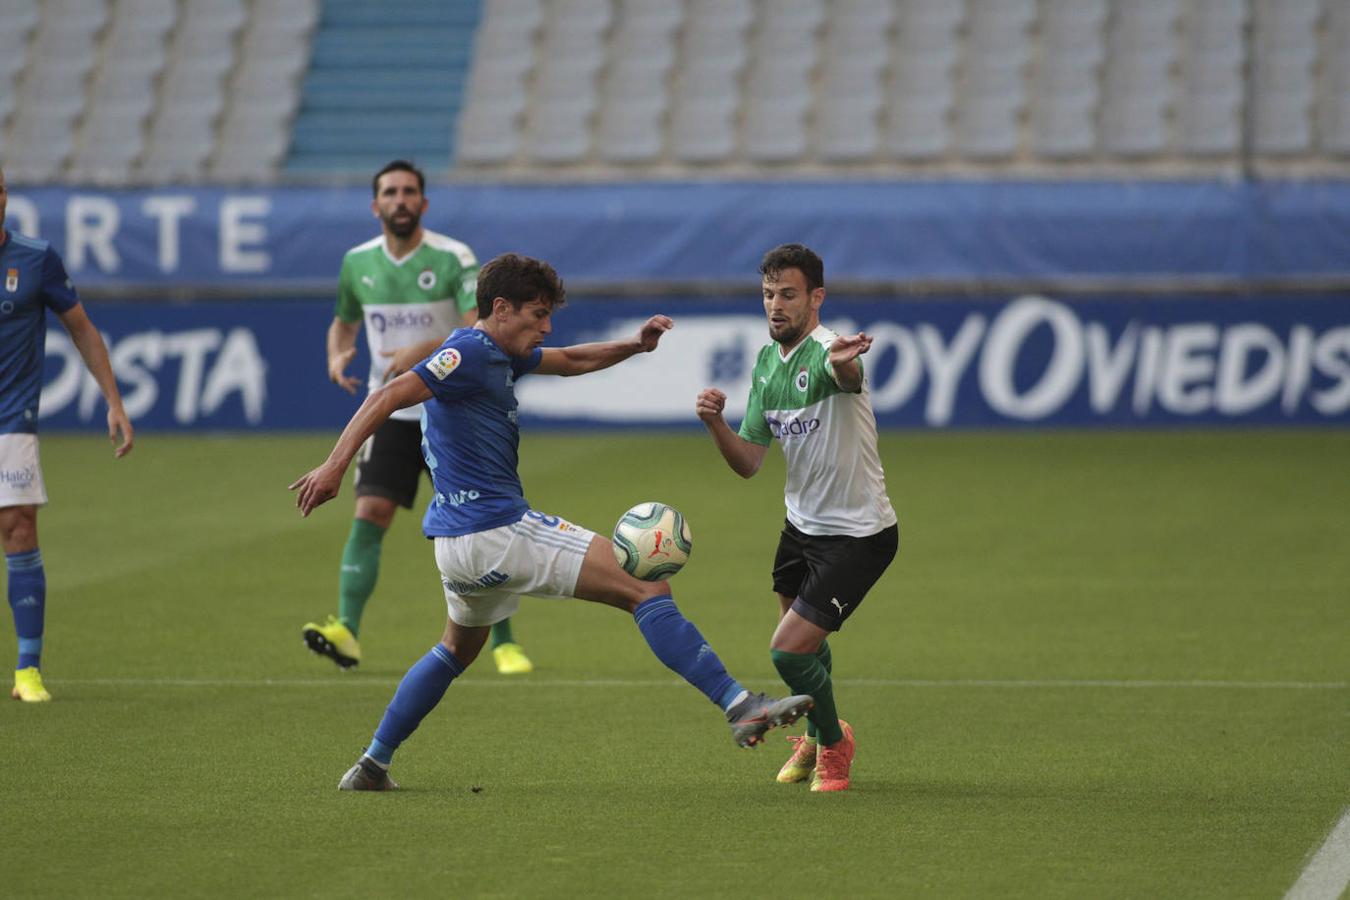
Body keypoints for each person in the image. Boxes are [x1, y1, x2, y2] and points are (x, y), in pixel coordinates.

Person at [291, 252, 812, 790]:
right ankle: (739, 704)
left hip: (455, 544)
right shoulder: (468, 350)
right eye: (537, 314)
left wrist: (635, 345)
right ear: (500, 308)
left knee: (455, 649)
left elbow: (571, 360)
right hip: (497, 530)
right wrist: (335, 466)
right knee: (644, 585)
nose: (546, 326)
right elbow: (391, 392)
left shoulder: (498, 353)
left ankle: (372, 764)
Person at [301, 159, 533, 675]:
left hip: (454, 414)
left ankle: (505, 643)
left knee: (484, 523)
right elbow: (343, 324)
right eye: (390, 192)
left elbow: (479, 322)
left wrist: (421, 350)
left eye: (409, 192)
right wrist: (338, 357)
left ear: (423, 203)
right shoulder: (356, 263)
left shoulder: (453, 257)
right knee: (370, 514)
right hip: (394, 414)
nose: (400, 200)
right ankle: (348, 630)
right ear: (375, 204)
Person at [695, 243, 898, 792]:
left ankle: (834, 743)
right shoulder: (766, 365)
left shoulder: (831, 351)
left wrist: (844, 363)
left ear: (816, 297)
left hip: (858, 535)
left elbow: (848, 375)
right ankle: (815, 729)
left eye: (788, 294)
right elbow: (750, 464)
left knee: (787, 650)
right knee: (804, 645)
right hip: (800, 528)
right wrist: (716, 424)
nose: (775, 305)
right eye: (768, 294)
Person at [0, 165, 135, 702]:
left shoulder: (35, 257)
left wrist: (114, 401)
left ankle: (27, 668)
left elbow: (80, 325)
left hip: (11, 421)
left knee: (18, 528)